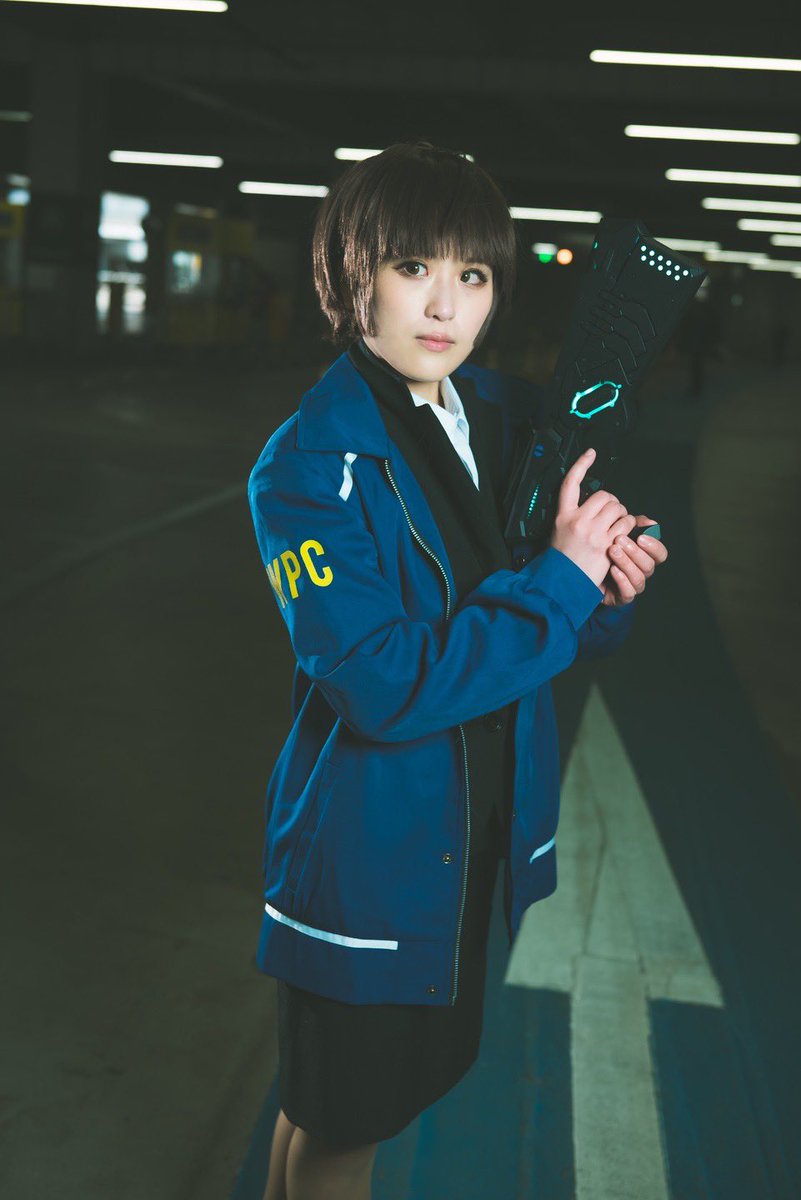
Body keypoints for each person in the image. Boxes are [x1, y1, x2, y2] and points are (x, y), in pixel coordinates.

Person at [247, 140, 668, 1200]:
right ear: (351, 276)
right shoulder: (308, 467)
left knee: (329, 1113)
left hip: (454, 843)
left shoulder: (492, 419)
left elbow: (533, 622)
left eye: (471, 274)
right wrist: (559, 589)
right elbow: (383, 684)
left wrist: (598, 591)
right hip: (369, 853)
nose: (444, 305)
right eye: (412, 268)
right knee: (342, 1128)